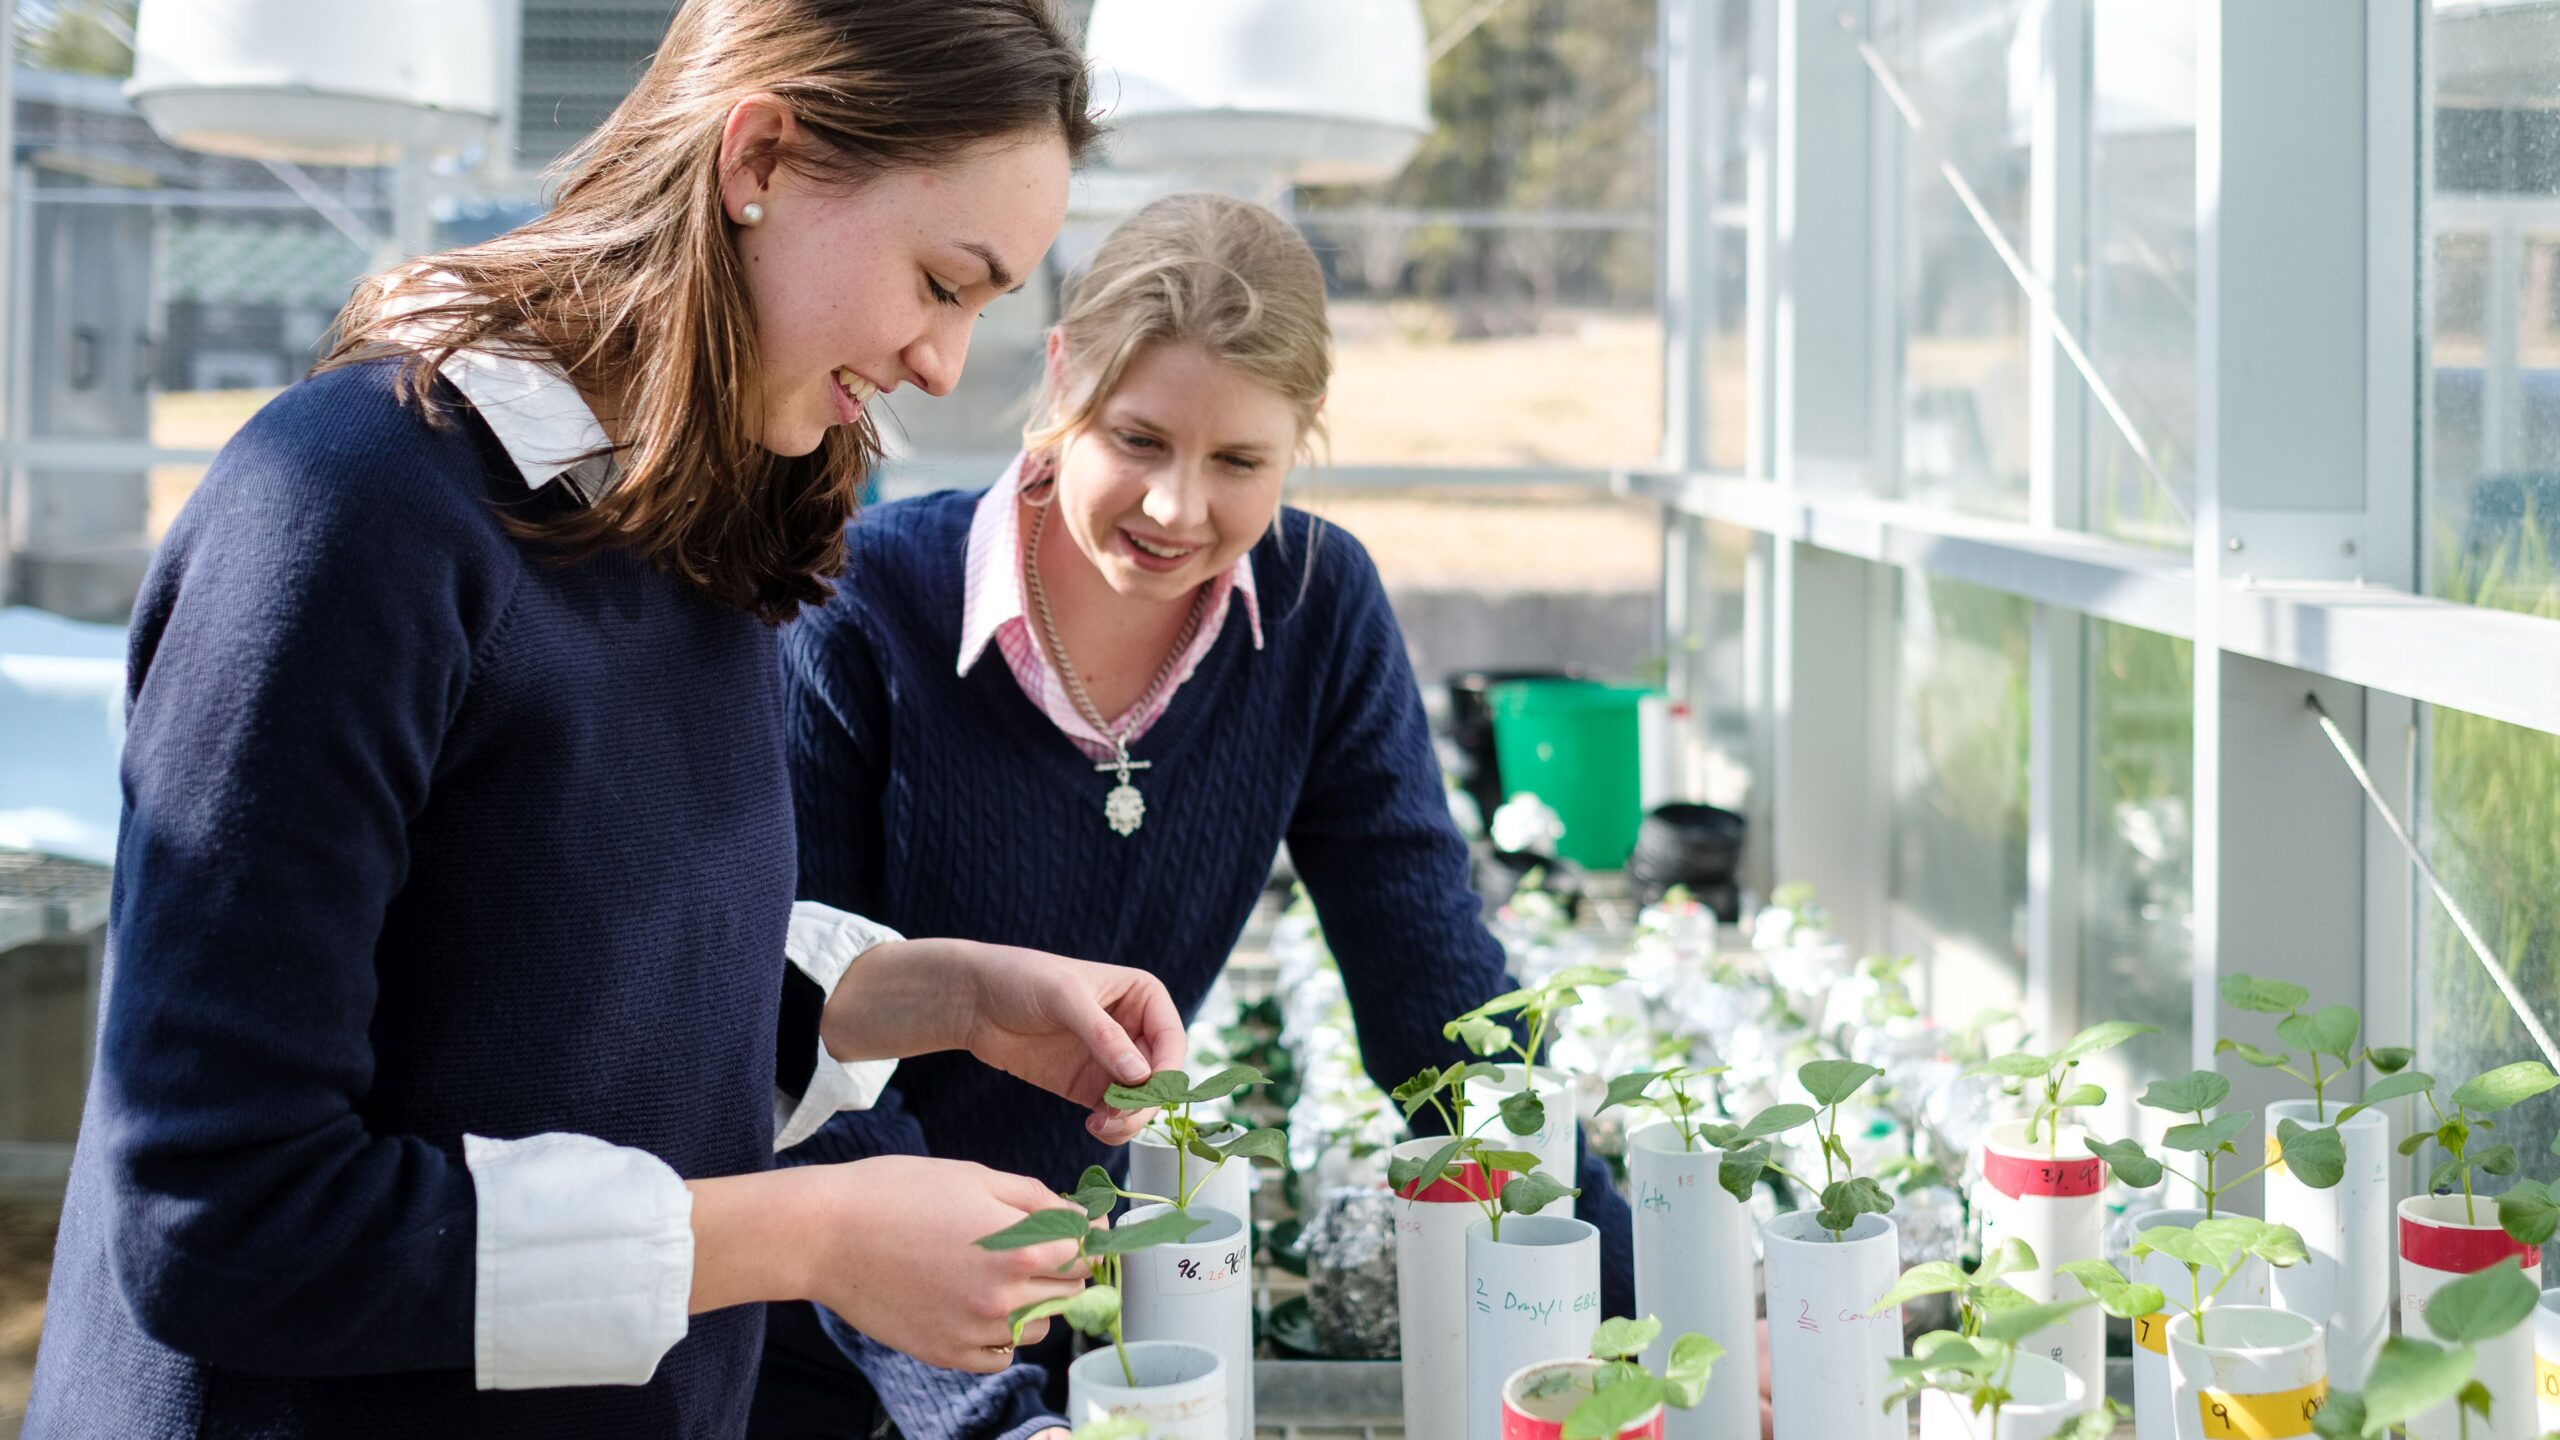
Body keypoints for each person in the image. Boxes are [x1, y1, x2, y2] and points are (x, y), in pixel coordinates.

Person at [23, 4, 1172, 1437]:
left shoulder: (691, 530)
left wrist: (931, 997)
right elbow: (219, 1217)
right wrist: (803, 1236)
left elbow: (547, 1002)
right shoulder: (348, 514)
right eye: (944, 282)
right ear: (762, 155)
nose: (944, 364)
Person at [758, 192, 1636, 1440]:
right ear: (1061, 379)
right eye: (1137, 439)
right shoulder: (860, 614)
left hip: (1086, 1331)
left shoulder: (1318, 610)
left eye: (1238, 464)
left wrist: (1631, 1308)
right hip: (823, 1335)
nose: (1178, 510)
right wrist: (988, 1419)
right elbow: (795, 1047)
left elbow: (1433, 993)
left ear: (1301, 443)